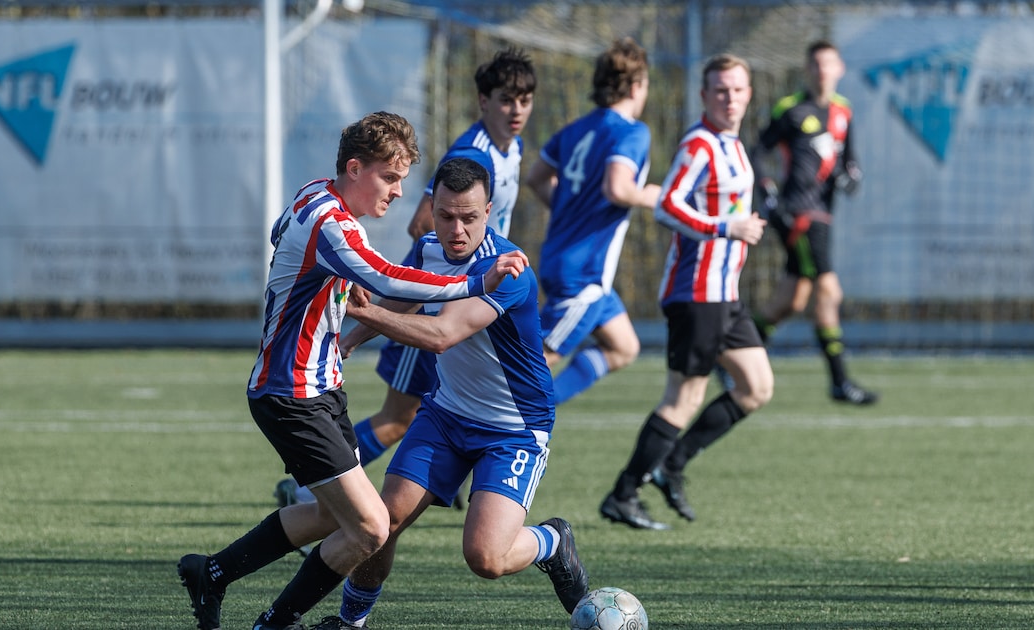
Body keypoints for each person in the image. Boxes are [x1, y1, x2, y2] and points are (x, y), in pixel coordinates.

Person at [176, 113, 528, 630]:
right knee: (370, 529)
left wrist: (332, 290)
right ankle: (275, 622)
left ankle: (213, 573)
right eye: (389, 178)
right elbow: (387, 276)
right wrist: (475, 283)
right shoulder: (333, 223)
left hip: (319, 387)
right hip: (292, 392)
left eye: (403, 179)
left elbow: (284, 236)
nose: (399, 192)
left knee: (329, 516)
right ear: (355, 168)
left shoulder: (316, 194)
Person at [307, 157, 588, 629]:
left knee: (486, 558)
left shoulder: (509, 271)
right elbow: (409, 295)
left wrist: (365, 316)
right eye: (447, 216)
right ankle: (352, 623)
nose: (457, 229)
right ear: (432, 209)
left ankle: (552, 541)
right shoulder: (429, 247)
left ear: (490, 211)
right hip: (446, 416)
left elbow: (442, 334)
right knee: (381, 525)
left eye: (470, 217)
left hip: (513, 430)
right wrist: (353, 338)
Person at [275, 48, 537, 508]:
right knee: (400, 416)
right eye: (505, 99)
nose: (516, 110)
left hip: (468, 295)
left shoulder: (510, 150)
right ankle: (310, 491)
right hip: (435, 297)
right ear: (483, 101)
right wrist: (464, 276)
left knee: (419, 411)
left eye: (525, 99)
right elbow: (423, 227)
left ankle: (429, 476)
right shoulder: (471, 156)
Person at [598, 54, 773, 531]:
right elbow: (667, 207)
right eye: (720, 90)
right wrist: (727, 226)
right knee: (683, 397)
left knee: (756, 387)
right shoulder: (699, 144)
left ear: (749, 93)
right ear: (704, 96)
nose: (729, 98)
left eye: (737, 89)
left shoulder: (734, 147)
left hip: (726, 293)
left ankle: (671, 465)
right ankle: (624, 491)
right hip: (696, 292)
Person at [524, 37, 661, 405]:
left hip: (568, 262)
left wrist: (570, 208)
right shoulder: (633, 131)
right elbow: (618, 187)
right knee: (533, 365)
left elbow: (536, 177)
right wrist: (652, 195)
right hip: (584, 275)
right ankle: (497, 424)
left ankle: (538, 411)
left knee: (624, 346)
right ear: (636, 87)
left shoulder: (576, 129)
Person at [748, 39, 877, 405]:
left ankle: (731, 354)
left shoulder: (843, 112)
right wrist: (767, 191)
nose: (822, 70)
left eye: (829, 63)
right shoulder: (790, 109)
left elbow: (851, 162)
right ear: (807, 70)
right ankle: (839, 380)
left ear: (840, 69)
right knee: (829, 292)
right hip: (798, 214)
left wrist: (852, 177)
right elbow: (757, 151)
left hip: (823, 213)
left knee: (789, 301)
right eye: (816, 64)